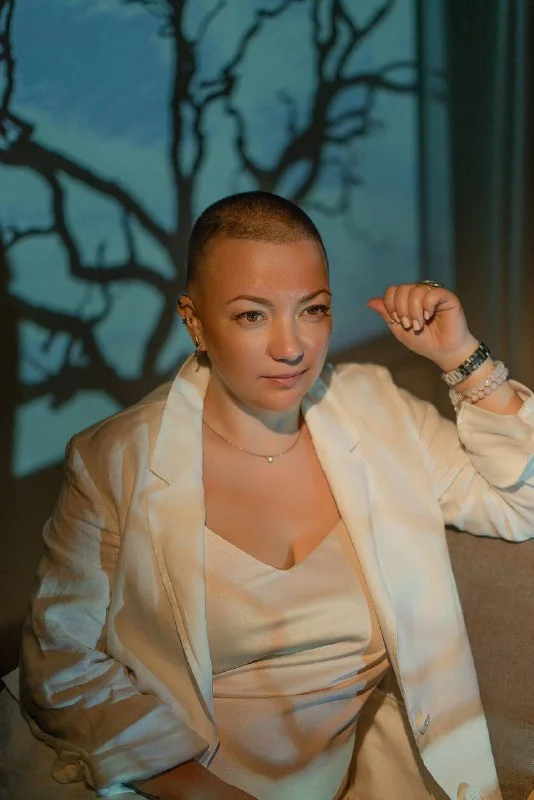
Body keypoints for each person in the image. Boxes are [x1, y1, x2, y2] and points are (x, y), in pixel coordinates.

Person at [18, 191, 534, 800]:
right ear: (194, 320)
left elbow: (519, 504)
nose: (291, 347)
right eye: (252, 316)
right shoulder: (114, 457)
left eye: (312, 310)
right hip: (163, 783)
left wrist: (461, 356)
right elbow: (61, 663)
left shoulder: (377, 410)